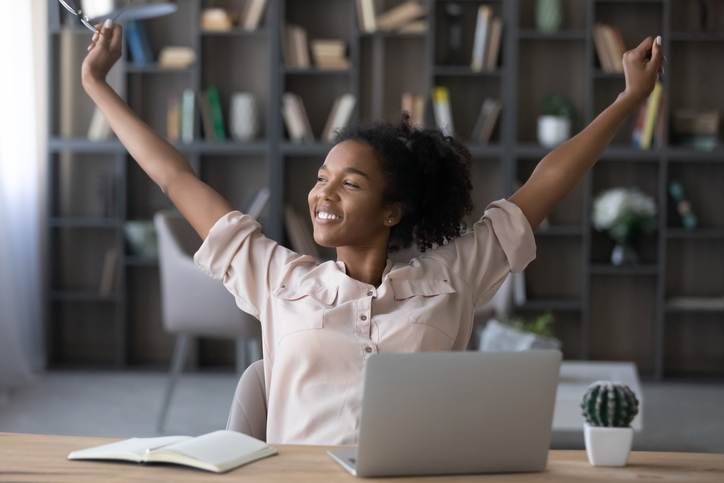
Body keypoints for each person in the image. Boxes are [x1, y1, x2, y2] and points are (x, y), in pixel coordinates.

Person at [82, 19, 665, 445]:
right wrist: (97, 86)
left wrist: (629, 99)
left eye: (350, 183)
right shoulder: (279, 279)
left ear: (393, 211)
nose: (323, 194)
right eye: (321, 177)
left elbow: (544, 186)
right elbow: (174, 175)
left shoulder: (450, 278)